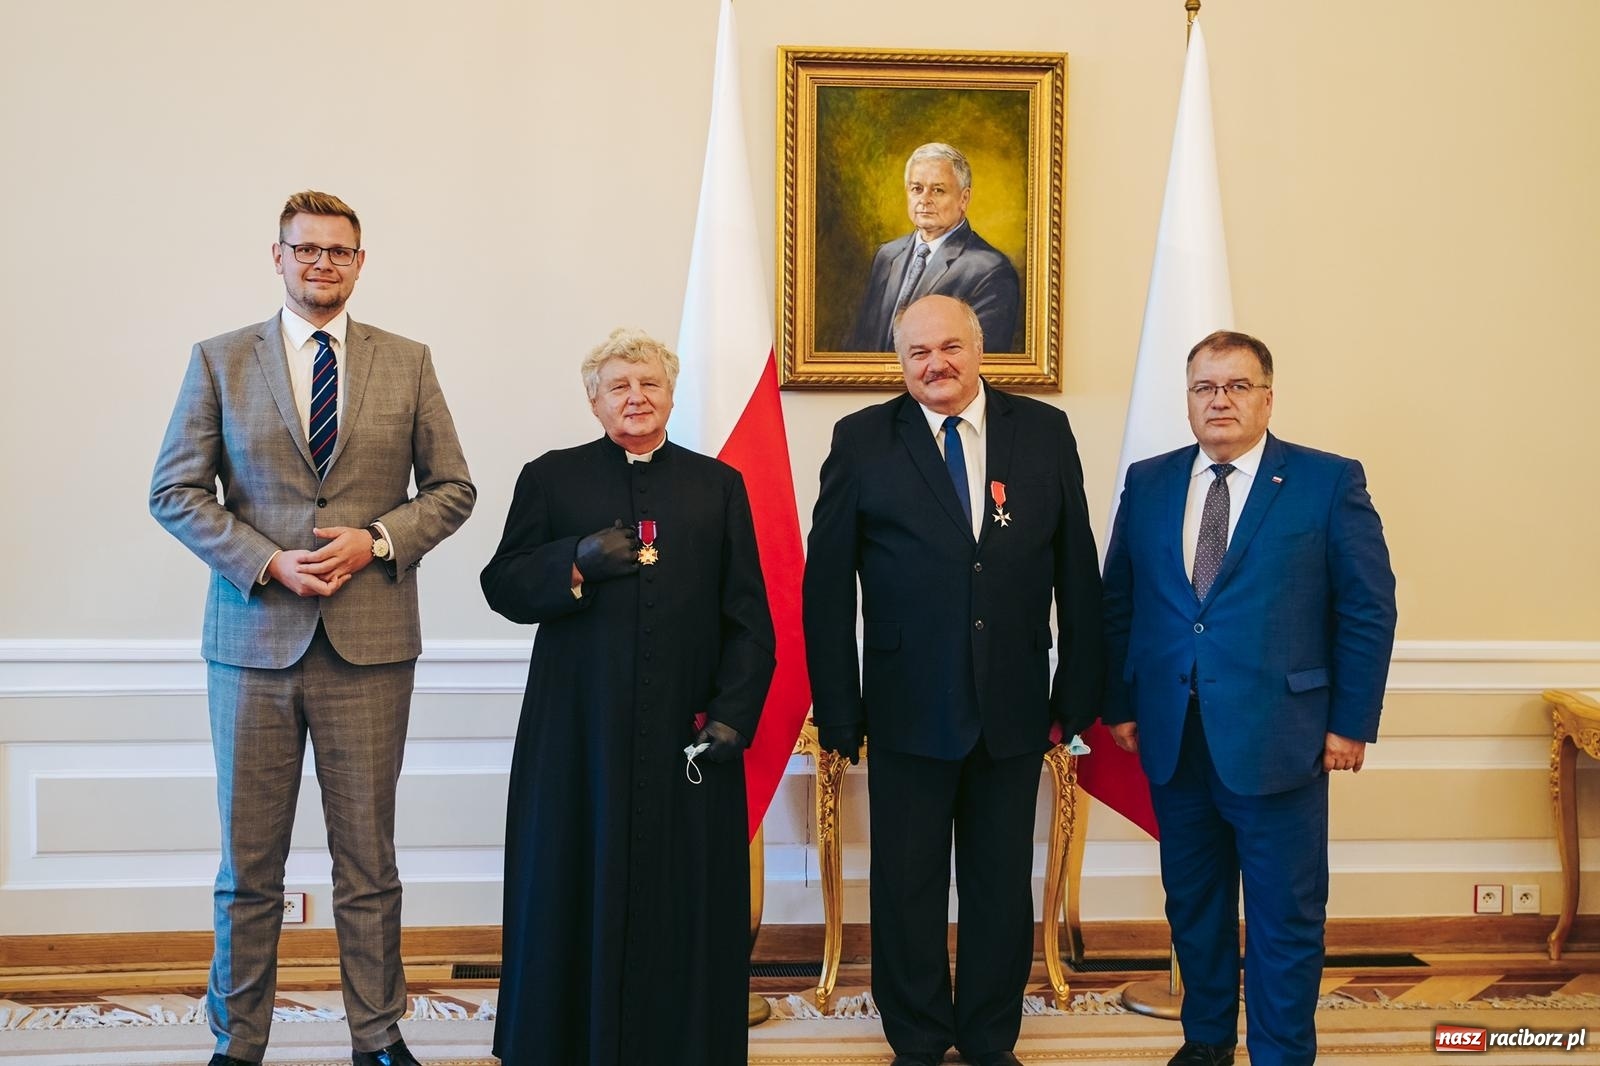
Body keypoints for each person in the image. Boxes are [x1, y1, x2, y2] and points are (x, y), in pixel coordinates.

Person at [149, 190, 476, 1066]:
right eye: (307, 250)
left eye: (339, 251)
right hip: (252, 645)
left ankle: (377, 1038)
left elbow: (453, 489)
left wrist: (375, 541)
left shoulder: (407, 362)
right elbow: (173, 491)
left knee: (367, 865)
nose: (323, 263)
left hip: (369, 647)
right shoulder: (220, 361)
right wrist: (266, 560)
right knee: (247, 872)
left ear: (360, 263)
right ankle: (239, 1043)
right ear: (279, 256)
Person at [804, 295, 1103, 1066]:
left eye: (949, 348)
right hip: (905, 707)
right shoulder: (863, 439)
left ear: (979, 349)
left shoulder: (1043, 431)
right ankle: (917, 1038)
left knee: (1000, 888)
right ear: (899, 363)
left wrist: (1075, 693)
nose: (934, 365)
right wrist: (840, 710)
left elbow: (1077, 569)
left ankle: (989, 1038)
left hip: (1015, 704)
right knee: (906, 888)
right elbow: (827, 586)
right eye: (916, 354)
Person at [1101, 331, 1398, 1066]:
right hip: (1176, 737)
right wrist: (1121, 704)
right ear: (1189, 399)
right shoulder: (1150, 481)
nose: (1221, 400)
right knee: (1194, 909)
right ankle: (1205, 1043)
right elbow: (1119, 601)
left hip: (1283, 739)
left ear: (1268, 396)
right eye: (1206, 388)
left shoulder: (1327, 482)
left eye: (1237, 386)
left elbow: (1367, 608)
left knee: (1284, 917)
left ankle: (1280, 1052)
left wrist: (1349, 723)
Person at [481, 328, 775, 1066]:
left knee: (684, 891)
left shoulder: (717, 485)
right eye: (619, 385)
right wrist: (573, 561)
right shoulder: (550, 478)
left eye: (648, 383)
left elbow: (750, 618)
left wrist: (737, 714)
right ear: (594, 400)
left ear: (671, 395)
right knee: (570, 878)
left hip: (690, 731)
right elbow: (502, 585)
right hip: (576, 732)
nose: (635, 397)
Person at [846, 143, 1021, 354]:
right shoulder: (887, 255)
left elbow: (981, 360)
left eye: (938, 190)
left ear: (964, 199)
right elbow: (863, 342)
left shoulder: (990, 270)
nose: (924, 200)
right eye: (916, 189)